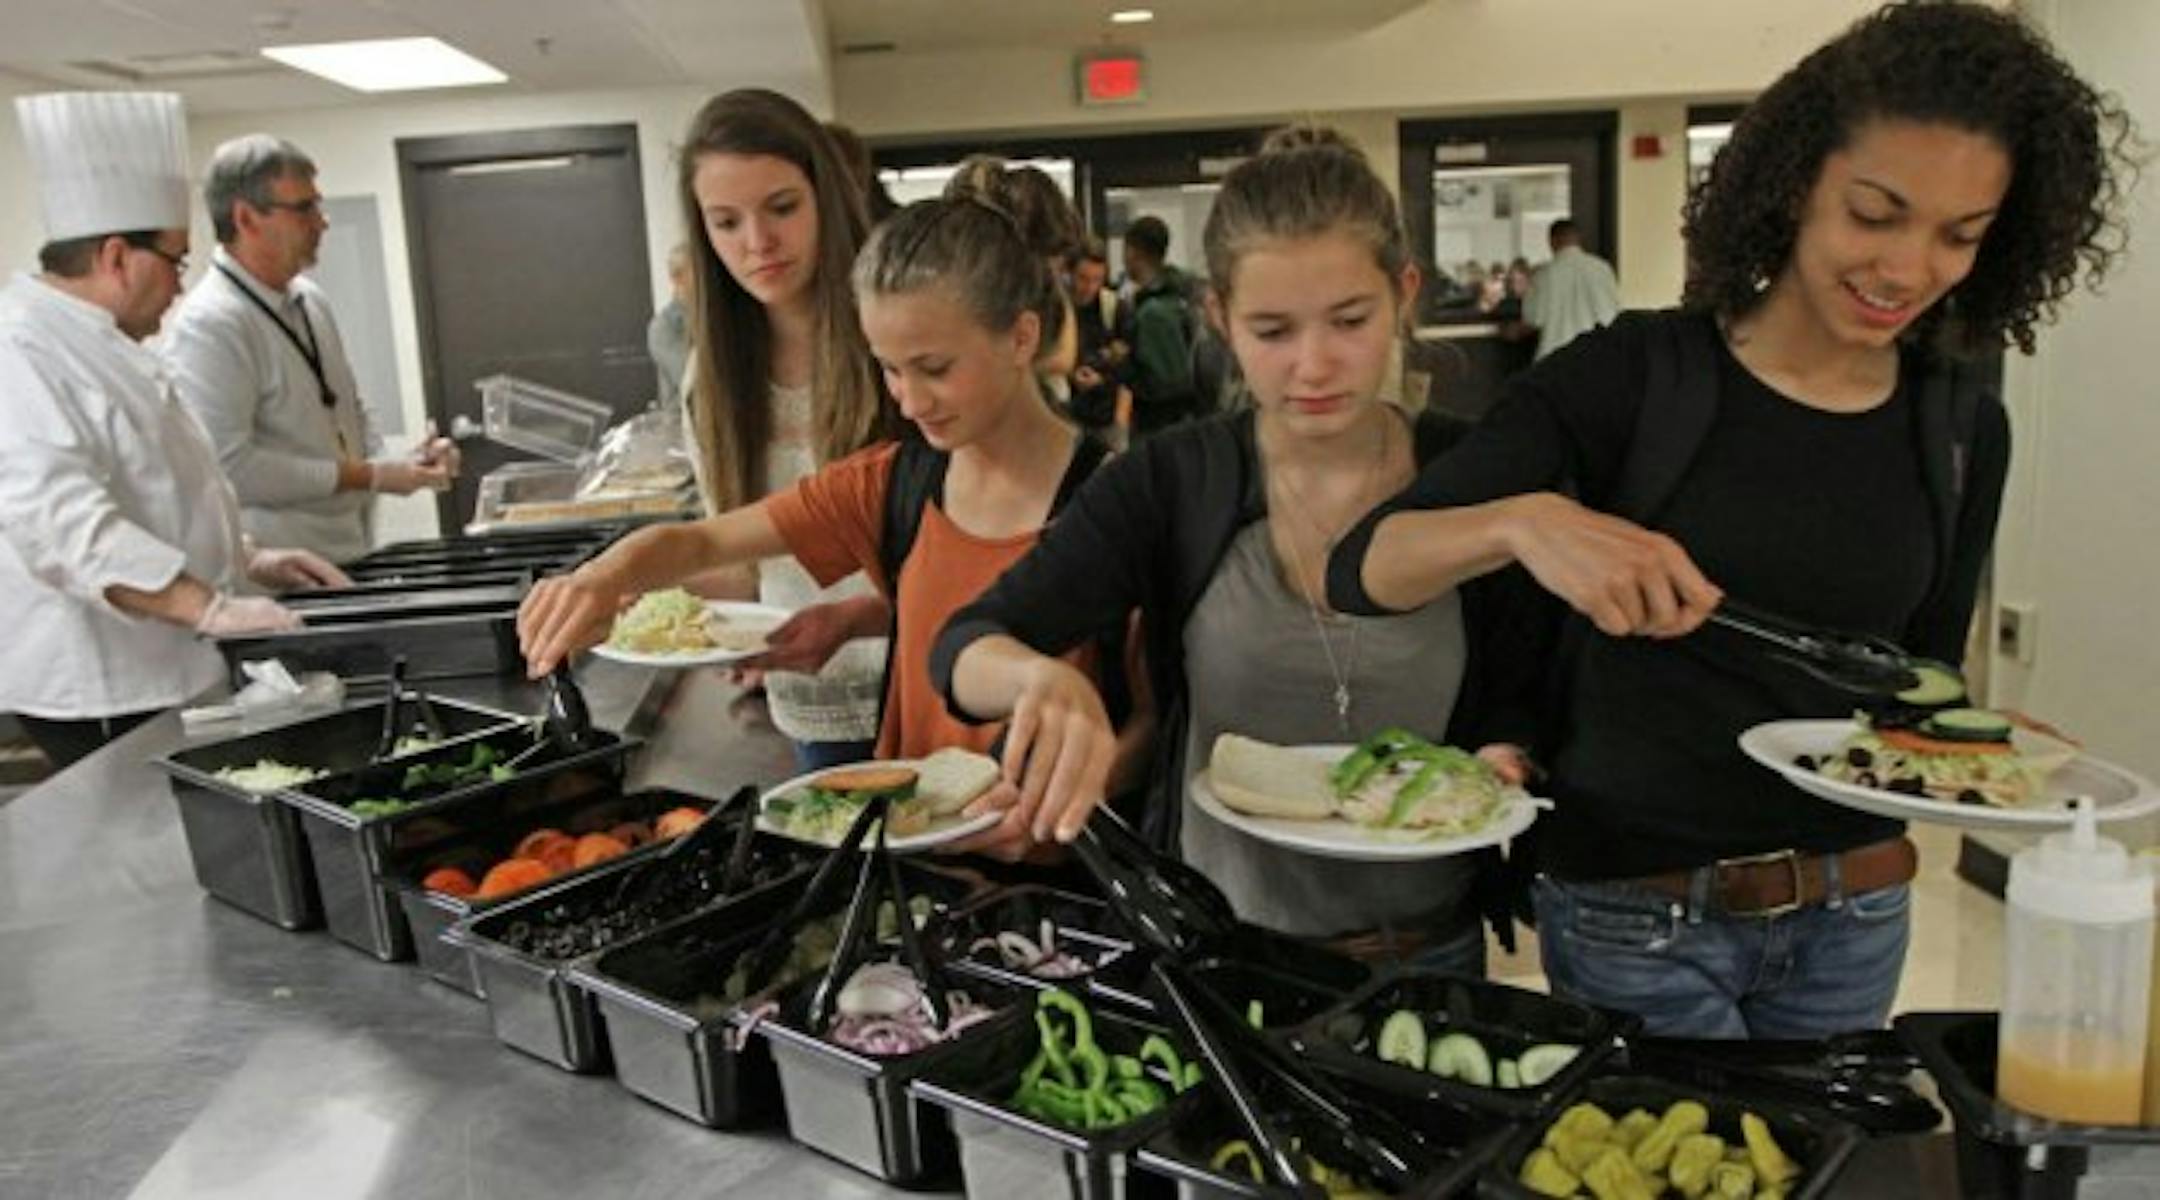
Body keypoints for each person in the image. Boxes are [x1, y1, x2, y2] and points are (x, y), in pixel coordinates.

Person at [1325, 1, 2134, 1038]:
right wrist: (1523, 523)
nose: (1906, 268)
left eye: (1959, 236)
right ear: (1796, 182)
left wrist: (1983, 753)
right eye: (1875, 213)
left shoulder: (1962, 424)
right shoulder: (1632, 377)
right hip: (1635, 913)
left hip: (1858, 909)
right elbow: (1365, 568)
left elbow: (1913, 678)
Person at [931, 126, 1544, 974]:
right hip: (1220, 951)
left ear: (1404, 294)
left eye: (1350, 320)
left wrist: (1505, 753)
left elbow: (1522, 684)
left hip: (1428, 948)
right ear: (1219, 317)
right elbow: (963, 645)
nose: (1314, 364)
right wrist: (1039, 676)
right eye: (1272, 331)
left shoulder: (1475, 473)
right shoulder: (1176, 480)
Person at [520, 165, 1147, 860]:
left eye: (935, 368)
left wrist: (1057, 811)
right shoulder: (890, 483)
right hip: (913, 879)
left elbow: (1153, 723)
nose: (910, 400)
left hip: (1068, 883)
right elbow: (702, 543)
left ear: (1022, 338)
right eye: (890, 368)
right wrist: (603, 575)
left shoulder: (1120, 506)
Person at [0, 93, 344, 769]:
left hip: (171, 665)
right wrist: (208, 607)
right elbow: (62, 527)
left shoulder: (109, 343)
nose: (181, 288)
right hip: (104, 685)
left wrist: (246, 557)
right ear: (118, 257)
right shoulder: (22, 351)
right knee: (139, 854)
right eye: (177, 263)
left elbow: (157, 485)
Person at [667, 89, 895, 773]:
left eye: (782, 208)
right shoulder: (711, 378)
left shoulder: (893, 333)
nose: (757, 243)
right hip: (811, 700)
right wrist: (644, 595)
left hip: (937, 680)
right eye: (726, 222)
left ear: (827, 194)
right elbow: (742, 564)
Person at [163, 134, 457, 566]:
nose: (322, 223)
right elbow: (230, 469)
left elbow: (347, 414)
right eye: (304, 209)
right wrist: (369, 475)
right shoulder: (211, 324)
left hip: (350, 551)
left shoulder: (309, 300)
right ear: (246, 219)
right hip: (282, 574)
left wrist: (404, 462)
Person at [1121, 215, 1201, 437]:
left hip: (1161, 429)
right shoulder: (1185, 294)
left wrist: (1121, 365)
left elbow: (1163, 385)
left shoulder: (1152, 314)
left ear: (1132, 252)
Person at [1520, 218, 1620, 360]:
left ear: (1552, 241)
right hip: (1597, 357)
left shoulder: (1544, 274)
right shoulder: (1603, 269)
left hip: (1555, 359)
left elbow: (1533, 319)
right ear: (1578, 239)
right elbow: (1614, 314)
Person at [1065, 238, 1132, 433]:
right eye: (1083, 278)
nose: (1089, 288)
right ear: (1069, 274)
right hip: (1066, 417)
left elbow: (1130, 371)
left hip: (1106, 417)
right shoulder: (1057, 310)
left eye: (1097, 280)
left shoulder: (1114, 308)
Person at [646, 241, 694, 401]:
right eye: (698, 271)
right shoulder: (662, 327)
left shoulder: (714, 316)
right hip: (683, 421)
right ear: (678, 278)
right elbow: (692, 380)